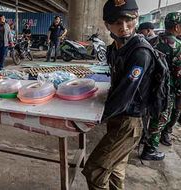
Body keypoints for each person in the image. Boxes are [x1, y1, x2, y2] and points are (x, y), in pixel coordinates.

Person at [82, 0, 157, 189]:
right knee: (115, 169)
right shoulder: (115, 49)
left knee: (95, 169)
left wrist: (93, 117)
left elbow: (124, 96)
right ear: (107, 25)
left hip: (129, 122)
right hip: (119, 118)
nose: (123, 27)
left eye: (128, 20)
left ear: (136, 18)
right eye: (117, 22)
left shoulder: (140, 52)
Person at [156, 12, 181, 147]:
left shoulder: (153, 40)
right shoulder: (178, 46)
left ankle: (149, 136)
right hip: (169, 87)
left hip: (152, 85)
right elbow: (179, 73)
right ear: (176, 27)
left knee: (153, 113)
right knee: (172, 111)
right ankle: (163, 134)